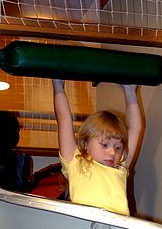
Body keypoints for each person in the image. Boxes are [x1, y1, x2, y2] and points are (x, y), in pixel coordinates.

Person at [52, 79, 142, 215]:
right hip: (85, 224)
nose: (112, 152)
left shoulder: (121, 167)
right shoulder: (76, 162)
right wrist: (58, 84)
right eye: (104, 145)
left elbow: (135, 128)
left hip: (118, 228)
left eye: (118, 148)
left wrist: (130, 92)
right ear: (86, 144)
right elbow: (63, 118)